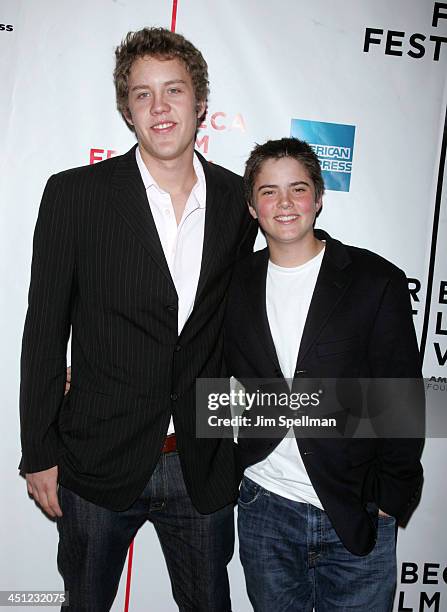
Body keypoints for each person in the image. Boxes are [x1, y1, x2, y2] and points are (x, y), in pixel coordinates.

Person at [19, 27, 256, 611]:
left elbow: (247, 321)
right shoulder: (75, 195)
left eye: (173, 90)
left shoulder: (238, 202)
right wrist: (39, 450)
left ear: (201, 103)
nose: (160, 107)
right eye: (143, 93)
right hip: (95, 460)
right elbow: (44, 331)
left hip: (199, 461)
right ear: (126, 109)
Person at [224, 137, 424, 611]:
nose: (285, 203)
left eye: (298, 188)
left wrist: (389, 500)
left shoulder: (376, 281)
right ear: (252, 207)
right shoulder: (232, 283)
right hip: (265, 505)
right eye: (269, 191)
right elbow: (195, 367)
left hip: (357, 512)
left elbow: (402, 398)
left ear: (318, 197)